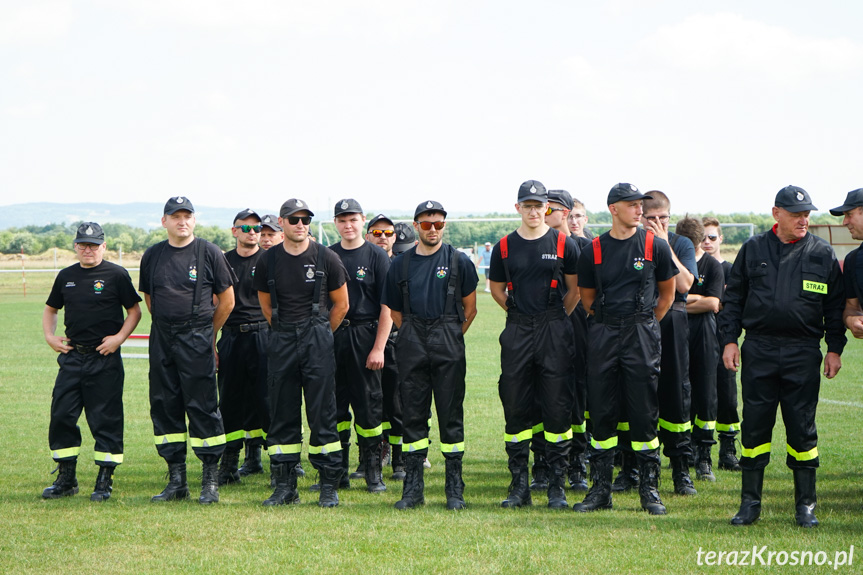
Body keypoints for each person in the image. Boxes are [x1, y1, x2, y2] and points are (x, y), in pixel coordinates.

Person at [720, 186, 845, 527]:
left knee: (802, 429)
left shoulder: (822, 253)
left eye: (806, 214)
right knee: (755, 428)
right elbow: (733, 301)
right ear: (777, 214)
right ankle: (750, 504)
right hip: (759, 349)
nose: (803, 220)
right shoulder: (753, 249)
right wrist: (729, 341)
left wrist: (834, 348)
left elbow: (835, 308)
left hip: (802, 352)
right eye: (796, 214)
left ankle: (806, 506)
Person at [574, 183, 677, 516]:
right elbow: (587, 298)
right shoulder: (593, 250)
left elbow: (667, 295)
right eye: (632, 205)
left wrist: (642, 323)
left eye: (640, 204)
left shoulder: (655, 246)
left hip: (641, 332)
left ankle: (649, 489)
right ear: (613, 209)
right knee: (601, 412)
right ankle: (600, 489)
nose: (639, 210)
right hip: (603, 331)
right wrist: (610, 322)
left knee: (644, 411)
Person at [139, 197, 236, 505]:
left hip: (197, 337)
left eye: (187, 216)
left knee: (203, 405)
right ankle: (176, 480)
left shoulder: (209, 253)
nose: (182, 221)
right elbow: (149, 300)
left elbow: (228, 301)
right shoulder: (152, 255)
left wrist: (209, 335)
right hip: (163, 338)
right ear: (164, 221)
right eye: (175, 216)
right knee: (164, 404)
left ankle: (209, 480)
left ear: (194, 220)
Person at [489, 181, 580, 509]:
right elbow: (497, 288)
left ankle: (557, 485)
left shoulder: (563, 243)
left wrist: (555, 317)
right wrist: (519, 315)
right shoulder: (504, 247)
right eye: (526, 205)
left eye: (538, 205)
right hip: (517, 329)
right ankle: (519, 485)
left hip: (554, 327)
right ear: (518, 208)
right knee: (515, 405)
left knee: (557, 407)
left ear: (547, 209)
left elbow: (575, 289)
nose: (533, 211)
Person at [383, 200, 478, 510]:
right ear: (416, 226)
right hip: (412, 342)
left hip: (448, 341)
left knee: (451, 416)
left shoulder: (459, 261)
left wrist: (448, 336)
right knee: (412, 415)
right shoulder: (401, 264)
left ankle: (455, 487)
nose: (433, 229)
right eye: (427, 224)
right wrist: (413, 336)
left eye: (438, 224)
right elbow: (395, 311)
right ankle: (413, 488)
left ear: (444, 226)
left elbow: (471, 308)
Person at [254, 198, 349, 508]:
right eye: (293, 219)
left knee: (323, 414)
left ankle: (328, 485)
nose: (300, 225)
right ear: (281, 223)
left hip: (317, 340)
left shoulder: (327, 258)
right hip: (281, 340)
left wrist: (319, 333)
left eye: (305, 219)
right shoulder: (268, 261)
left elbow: (342, 305)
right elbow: (266, 305)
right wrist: (287, 331)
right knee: (282, 413)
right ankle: (285, 486)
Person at [41, 222, 142, 501]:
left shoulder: (117, 274)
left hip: (104, 358)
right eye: (83, 244)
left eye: (94, 245)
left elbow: (134, 311)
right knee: (62, 415)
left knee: (105, 419)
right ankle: (66, 478)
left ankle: (104, 479)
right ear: (75, 246)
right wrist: (50, 337)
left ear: (104, 246)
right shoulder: (66, 276)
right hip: (72, 357)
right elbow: (51, 309)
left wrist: (119, 338)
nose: (88, 249)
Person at [329, 199, 393, 493]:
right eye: (342, 220)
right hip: (334, 337)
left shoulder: (376, 256)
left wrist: (379, 347)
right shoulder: (328, 256)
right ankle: (337, 471)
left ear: (362, 220)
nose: (348, 225)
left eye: (353, 219)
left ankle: (372, 472)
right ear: (336, 224)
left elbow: (387, 307)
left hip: (366, 336)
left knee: (369, 409)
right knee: (334, 409)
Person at [637, 190, 698, 497]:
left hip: (672, 321)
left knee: (676, 395)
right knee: (637, 395)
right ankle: (635, 468)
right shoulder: (633, 243)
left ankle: (681, 470)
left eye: (664, 218)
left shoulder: (681, 243)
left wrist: (664, 245)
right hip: (637, 324)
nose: (658, 223)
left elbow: (686, 284)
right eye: (652, 219)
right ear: (640, 216)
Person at [215, 209, 271, 485]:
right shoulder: (222, 261)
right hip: (232, 337)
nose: (252, 233)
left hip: (264, 336)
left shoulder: (271, 260)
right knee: (230, 402)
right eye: (245, 228)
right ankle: (228, 464)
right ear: (234, 231)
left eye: (257, 228)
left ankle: (282, 464)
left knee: (269, 400)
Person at [546, 188, 590, 491]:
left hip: (578, 329)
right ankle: (545, 465)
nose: (544, 214)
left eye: (550, 209)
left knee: (578, 398)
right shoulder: (535, 245)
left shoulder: (585, 248)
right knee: (543, 395)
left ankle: (578, 463)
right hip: (542, 332)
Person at [675, 216, 723, 481]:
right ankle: (680, 452)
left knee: (705, 393)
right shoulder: (673, 262)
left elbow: (713, 304)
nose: (704, 244)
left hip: (703, 334)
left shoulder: (713, 267)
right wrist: (694, 299)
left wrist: (682, 301)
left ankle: (703, 456)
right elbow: (666, 296)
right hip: (674, 330)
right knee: (676, 392)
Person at [365, 214, 406, 479]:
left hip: (398, 341)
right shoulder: (365, 262)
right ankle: (373, 455)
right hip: (368, 339)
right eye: (377, 232)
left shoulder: (403, 265)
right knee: (370, 402)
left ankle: (400, 460)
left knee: (398, 402)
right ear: (368, 235)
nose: (382, 237)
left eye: (388, 233)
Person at [702, 216, 742, 471]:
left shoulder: (730, 270)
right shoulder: (692, 267)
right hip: (697, 338)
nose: (706, 242)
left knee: (727, 396)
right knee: (700, 396)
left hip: (723, 337)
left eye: (712, 237)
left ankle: (728, 450)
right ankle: (699, 450)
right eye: (702, 237)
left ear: (721, 239)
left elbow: (730, 304)